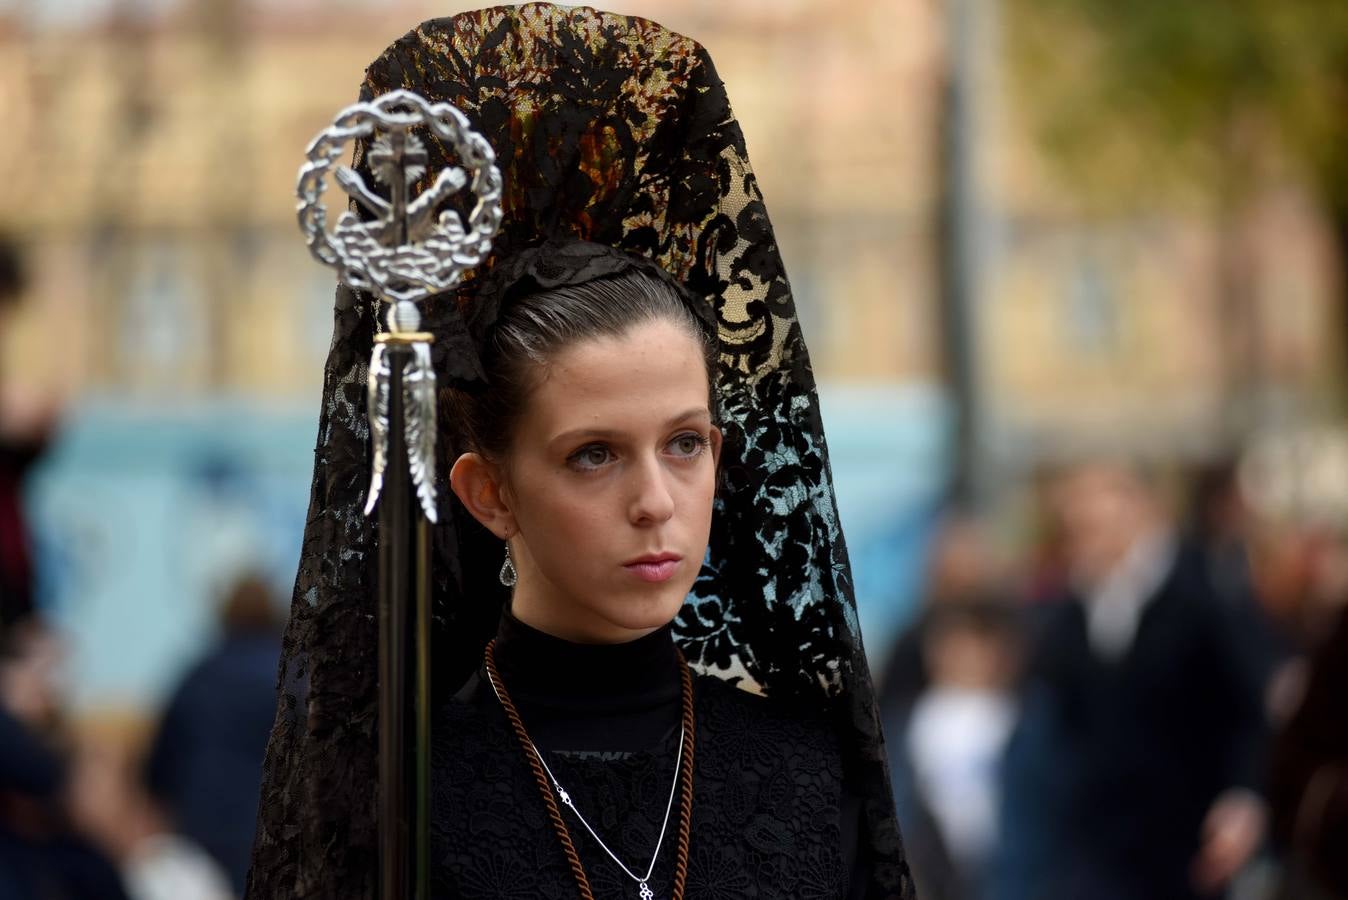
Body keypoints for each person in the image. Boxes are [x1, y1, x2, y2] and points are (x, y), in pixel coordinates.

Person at [246, 5, 914, 900]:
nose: (655, 501)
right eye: (593, 455)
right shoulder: (397, 799)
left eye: (684, 445)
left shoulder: (802, 776)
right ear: (490, 494)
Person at [998, 460, 1270, 900]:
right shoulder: (1071, 614)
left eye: (1096, 523)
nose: (1086, 537)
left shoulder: (1202, 592)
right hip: (1098, 849)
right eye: (1077, 527)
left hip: (1186, 841)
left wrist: (1244, 794)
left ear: (1136, 510)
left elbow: (1246, 705)